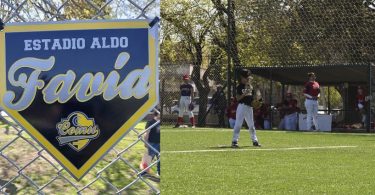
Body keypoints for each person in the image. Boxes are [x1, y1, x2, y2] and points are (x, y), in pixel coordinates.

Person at [231, 69, 261, 147]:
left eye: (248, 77)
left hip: (249, 107)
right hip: (242, 106)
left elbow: (255, 96)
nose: (247, 79)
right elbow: (237, 98)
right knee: (238, 124)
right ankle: (234, 141)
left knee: (251, 125)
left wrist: (257, 99)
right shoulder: (239, 87)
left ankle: (255, 141)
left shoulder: (251, 86)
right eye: (245, 77)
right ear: (241, 78)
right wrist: (244, 94)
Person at [143, 111, 160, 176]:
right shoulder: (150, 122)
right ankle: (144, 172)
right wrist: (146, 142)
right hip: (152, 143)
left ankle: (159, 172)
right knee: (148, 157)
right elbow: (146, 133)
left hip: (161, 143)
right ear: (157, 114)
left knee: (160, 159)